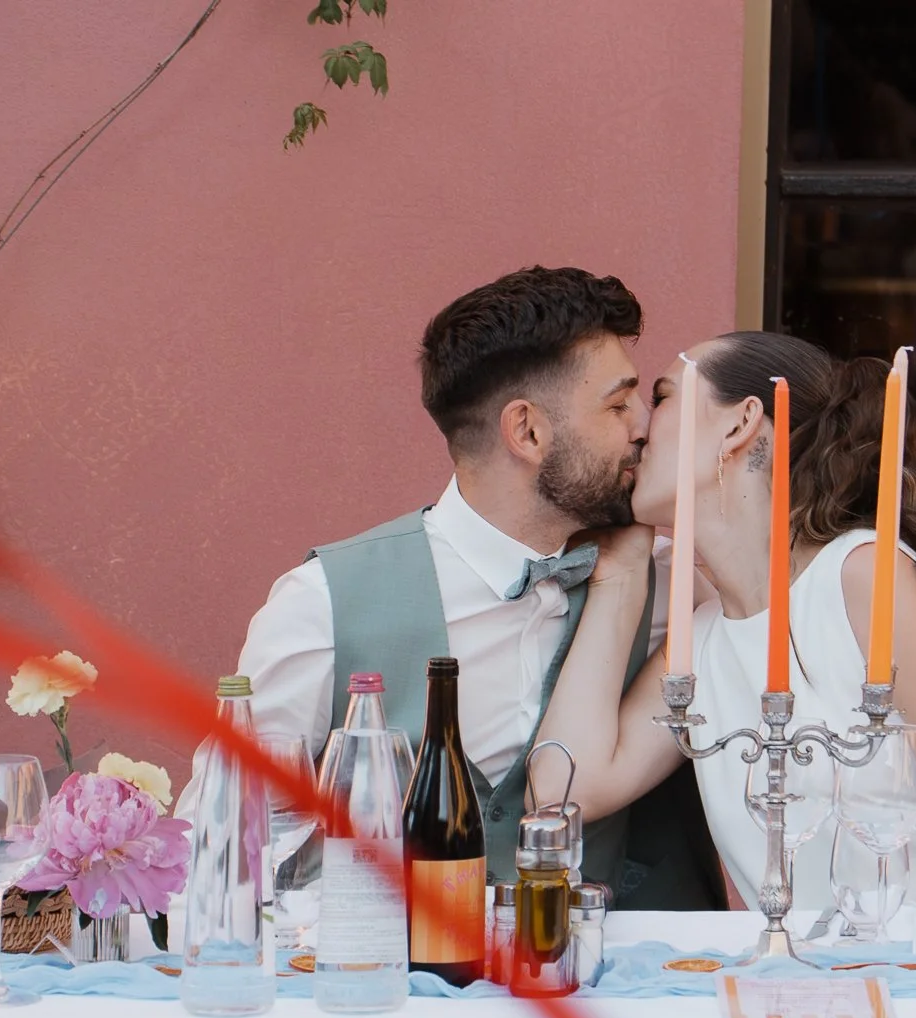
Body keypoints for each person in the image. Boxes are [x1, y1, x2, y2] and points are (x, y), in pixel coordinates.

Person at [177, 267, 721, 907]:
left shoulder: (673, 590)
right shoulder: (322, 605)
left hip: (594, 986)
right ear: (527, 432)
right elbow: (220, 848)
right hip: (386, 986)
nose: (644, 427)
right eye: (617, 403)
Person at [537, 331, 916, 910]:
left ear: (739, 425)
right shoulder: (701, 642)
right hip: (825, 985)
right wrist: (620, 576)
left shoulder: (864, 577)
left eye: (661, 398)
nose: (637, 426)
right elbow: (564, 788)